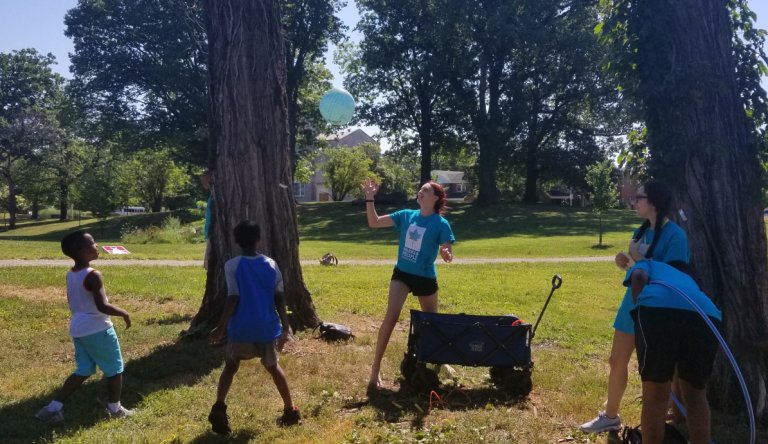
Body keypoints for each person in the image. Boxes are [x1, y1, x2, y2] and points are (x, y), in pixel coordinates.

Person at [580, 180, 689, 433]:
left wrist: (638, 259)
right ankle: (610, 416)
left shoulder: (676, 235)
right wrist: (627, 262)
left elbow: (674, 276)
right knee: (616, 361)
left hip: (660, 310)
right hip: (632, 304)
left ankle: (674, 412)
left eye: (639, 197)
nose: (634, 201)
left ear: (654, 202)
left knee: (657, 368)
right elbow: (639, 268)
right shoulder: (641, 231)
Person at [361, 178, 455, 391]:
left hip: (425, 277)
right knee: (391, 315)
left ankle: (441, 359)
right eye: (420, 189)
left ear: (436, 198)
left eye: (425, 190)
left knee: (431, 322)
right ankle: (375, 369)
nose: (420, 192)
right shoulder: (406, 216)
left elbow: (448, 253)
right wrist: (369, 199)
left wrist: (446, 253)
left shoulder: (441, 224)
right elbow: (374, 222)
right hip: (402, 274)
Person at [207, 220, 300, 435]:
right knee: (273, 367)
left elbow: (233, 298)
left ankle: (219, 408)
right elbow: (279, 297)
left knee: (230, 367)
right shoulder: (271, 265)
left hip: (241, 329)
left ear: (236, 241)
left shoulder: (232, 265)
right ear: (260, 240)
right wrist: (285, 326)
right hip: (267, 329)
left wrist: (220, 328)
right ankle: (291, 411)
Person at [36, 231, 134, 422]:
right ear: (83, 251)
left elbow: (72, 302)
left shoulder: (71, 274)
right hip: (98, 328)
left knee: (84, 370)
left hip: (78, 328)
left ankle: (52, 408)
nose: (97, 246)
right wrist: (124, 312)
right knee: (115, 369)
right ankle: (115, 409)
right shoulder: (93, 274)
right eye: (94, 243)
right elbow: (101, 306)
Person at [625, 260, 721, 444]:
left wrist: (640, 309)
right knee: (696, 394)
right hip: (706, 315)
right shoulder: (691, 279)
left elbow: (638, 277)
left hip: (657, 311)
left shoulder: (649, 263)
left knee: (655, 396)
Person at [202, 169, 213, 270]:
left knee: (209, 263)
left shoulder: (214, 195)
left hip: (213, 232)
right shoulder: (211, 195)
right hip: (210, 231)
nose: (202, 181)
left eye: (203, 178)